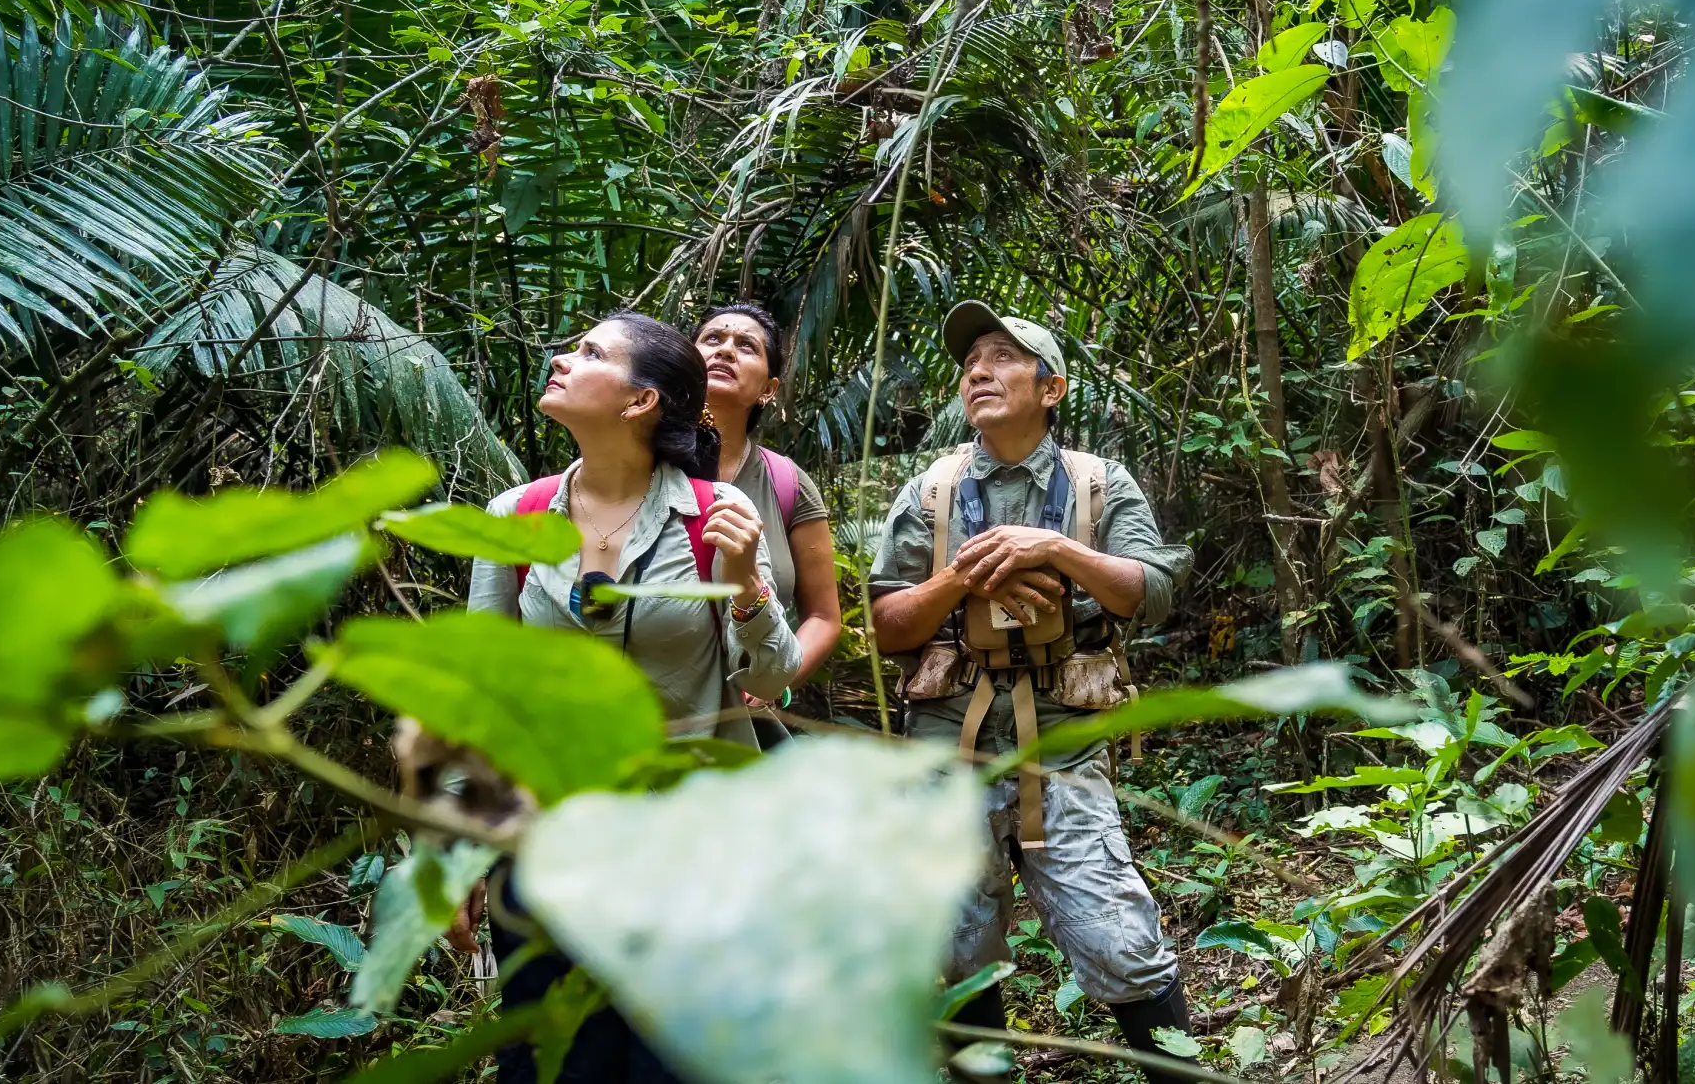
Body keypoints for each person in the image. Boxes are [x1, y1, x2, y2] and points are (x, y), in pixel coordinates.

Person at [467, 308, 801, 1083]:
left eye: (588, 351)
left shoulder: (711, 520)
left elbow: (769, 678)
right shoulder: (513, 518)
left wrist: (748, 580)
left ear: (639, 400)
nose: (560, 356)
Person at [869, 301, 1195, 1079]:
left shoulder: (1098, 483)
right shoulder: (931, 491)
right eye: (970, 362)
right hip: (946, 739)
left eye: (1002, 357)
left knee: (1116, 933)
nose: (977, 370)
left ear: (1053, 389)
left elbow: (1150, 589)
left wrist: (1053, 547)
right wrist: (965, 573)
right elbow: (888, 624)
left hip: (1064, 739)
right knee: (952, 944)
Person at [693, 303, 843, 739]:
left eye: (745, 346)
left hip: (749, 719)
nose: (725, 351)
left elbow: (823, 616)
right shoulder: (634, 466)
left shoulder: (787, 483)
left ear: (769, 389)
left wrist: (775, 682)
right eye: (712, 340)